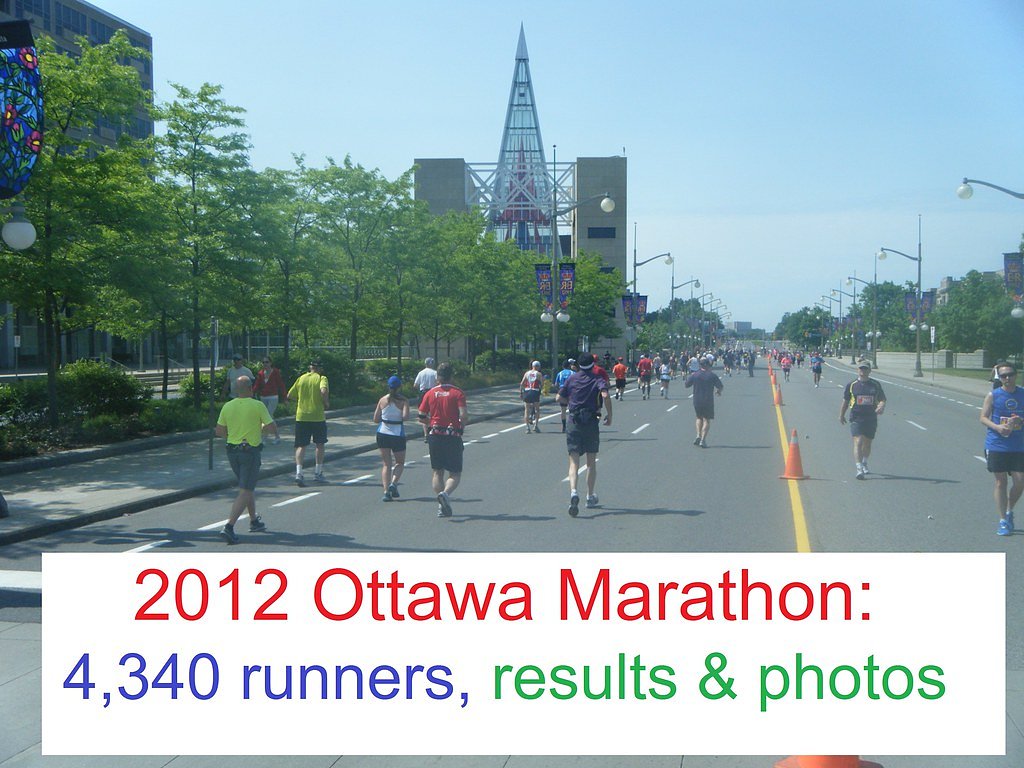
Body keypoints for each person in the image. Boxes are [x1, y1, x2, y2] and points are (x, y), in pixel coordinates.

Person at [215, 376, 279, 544]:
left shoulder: (227, 406)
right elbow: (272, 428)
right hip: (250, 452)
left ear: (236, 390)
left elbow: (219, 431)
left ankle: (254, 520)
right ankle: (228, 527)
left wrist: (233, 435)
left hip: (232, 452)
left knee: (247, 486)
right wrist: (260, 430)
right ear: (251, 388)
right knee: (245, 490)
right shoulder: (257, 405)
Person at [558, 352, 612, 516]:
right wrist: (609, 414)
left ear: (578, 365)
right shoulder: (597, 378)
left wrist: (572, 402)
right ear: (592, 364)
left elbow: (559, 397)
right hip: (591, 422)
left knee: (573, 461)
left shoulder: (572, 379)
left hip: (574, 421)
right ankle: (589, 496)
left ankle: (574, 491)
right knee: (590, 462)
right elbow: (605, 394)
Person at [418, 361, 468, 518]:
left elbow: (421, 416)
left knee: (437, 472)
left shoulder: (430, 393)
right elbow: (463, 415)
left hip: (435, 435)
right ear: (451, 376)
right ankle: (446, 494)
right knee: (455, 472)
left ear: (437, 377)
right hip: (452, 435)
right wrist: (461, 427)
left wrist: (431, 424)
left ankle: (441, 506)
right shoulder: (458, 393)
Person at [980, 362, 1024, 535]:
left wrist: (1020, 421)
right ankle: (1003, 520)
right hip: (997, 444)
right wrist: (998, 427)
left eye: (1010, 374)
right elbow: (983, 417)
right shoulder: (993, 395)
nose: (1007, 378)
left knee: (1020, 482)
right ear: (1000, 378)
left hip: (1019, 445)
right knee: (1000, 482)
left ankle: (1009, 510)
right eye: (1003, 376)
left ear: (1016, 375)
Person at [839, 361, 886, 480]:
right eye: (861, 369)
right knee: (858, 441)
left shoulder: (875, 385)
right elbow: (845, 400)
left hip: (870, 417)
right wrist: (841, 415)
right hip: (856, 417)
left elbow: (882, 399)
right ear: (857, 370)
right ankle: (859, 468)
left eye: (865, 369)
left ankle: (864, 462)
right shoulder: (852, 385)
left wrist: (881, 405)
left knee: (867, 443)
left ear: (869, 371)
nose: (863, 371)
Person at [287, 358, 330, 487]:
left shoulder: (301, 378)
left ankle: (299, 473)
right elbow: (323, 391)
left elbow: (289, 395)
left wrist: (301, 399)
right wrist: (325, 402)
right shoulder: (322, 378)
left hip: (301, 416)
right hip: (317, 416)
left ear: (310, 367)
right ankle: (318, 473)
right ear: (320, 368)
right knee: (320, 444)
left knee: (301, 445)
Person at [374, 375, 410, 502]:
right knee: (399, 462)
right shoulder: (404, 401)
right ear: (400, 387)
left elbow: (375, 419)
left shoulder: (382, 400)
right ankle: (393, 484)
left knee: (386, 464)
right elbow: (405, 417)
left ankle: (386, 492)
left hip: (382, 433)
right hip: (397, 434)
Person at [685, 357, 724, 448]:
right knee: (707, 420)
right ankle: (703, 439)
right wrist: (718, 392)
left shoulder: (695, 375)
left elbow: (686, 385)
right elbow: (720, 386)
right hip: (708, 400)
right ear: (707, 365)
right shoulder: (712, 375)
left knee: (699, 418)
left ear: (700, 365)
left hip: (697, 400)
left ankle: (698, 435)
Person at [414, 357, 438, 441]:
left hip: (423, 393)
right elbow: (439, 382)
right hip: (433, 393)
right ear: (432, 364)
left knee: (423, 414)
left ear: (425, 364)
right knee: (433, 413)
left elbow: (415, 385)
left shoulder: (421, 373)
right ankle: (432, 431)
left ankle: (426, 434)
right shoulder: (435, 373)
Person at [520, 360, 544, 433]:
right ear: (537, 366)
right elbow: (542, 384)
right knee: (537, 409)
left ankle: (527, 428)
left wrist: (521, 392)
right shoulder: (539, 374)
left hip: (527, 391)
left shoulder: (527, 373)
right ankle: (535, 426)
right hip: (535, 391)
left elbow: (522, 383)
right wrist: (541, 390)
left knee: (526, 410)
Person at [554, 359, 575, 432]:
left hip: (562, 390)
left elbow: (556, 384)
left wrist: (558, 391)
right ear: (569, 366)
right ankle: (572, 425)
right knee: (572, 409)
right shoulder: (573, 373)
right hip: (571, 391)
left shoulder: (560, 373)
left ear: (562, 366)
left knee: (563, 410)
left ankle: (564, 426)